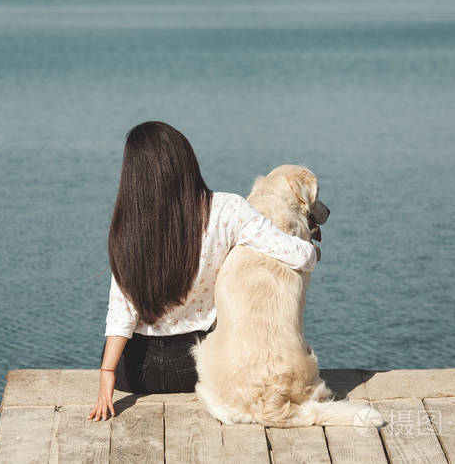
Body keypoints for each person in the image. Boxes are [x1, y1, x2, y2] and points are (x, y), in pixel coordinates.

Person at [89, 121, 320, 421]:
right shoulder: (229, 209)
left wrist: (107, 372)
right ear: (187, 162)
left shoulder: (130, 229)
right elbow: (296, 254)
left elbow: (122, 313)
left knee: (118, 351)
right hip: (200, 364)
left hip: (134, 373)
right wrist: (313, 248)